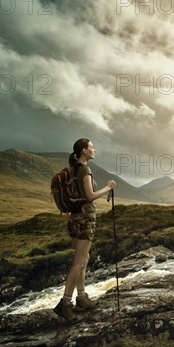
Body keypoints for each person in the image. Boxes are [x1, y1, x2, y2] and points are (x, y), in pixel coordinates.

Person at [53, 138, 116, 322]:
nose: (94, 149)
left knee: (84, 258)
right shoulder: (84, 169)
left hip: (73, 218)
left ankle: (81, 297)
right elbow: (90, 196)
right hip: (84, 219)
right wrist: (108, 187)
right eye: (91, 147)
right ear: (84, 150)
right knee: (79, 262)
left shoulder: (71, 170)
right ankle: (65, 304)